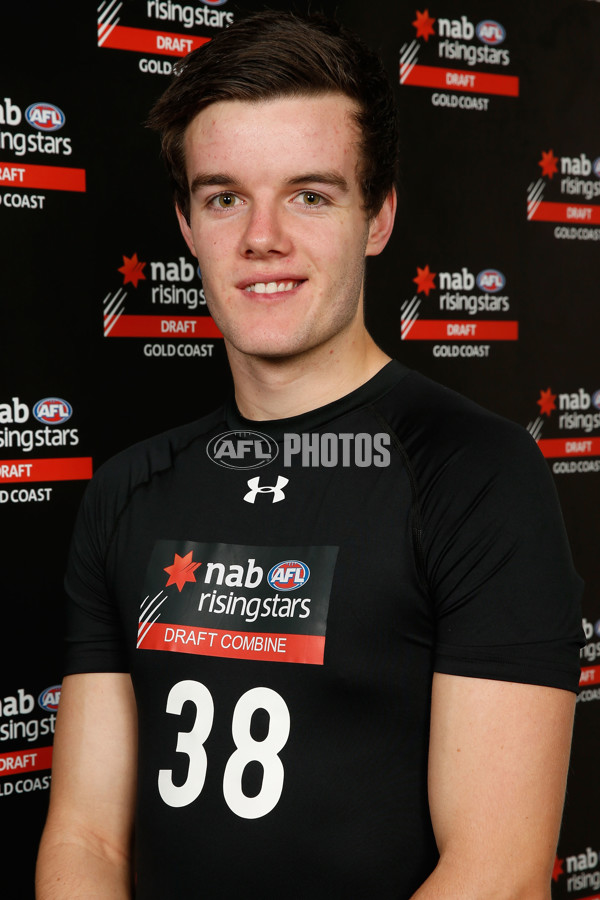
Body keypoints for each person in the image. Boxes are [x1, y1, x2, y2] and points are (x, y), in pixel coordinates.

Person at [36, 10, 583, 899]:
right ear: (187, 224)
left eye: (310, 195)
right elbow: (88, 840)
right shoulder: (129, 489)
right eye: (225, 197)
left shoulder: (474, 474)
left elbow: (500, 873)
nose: (263, 239)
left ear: (379, 216)